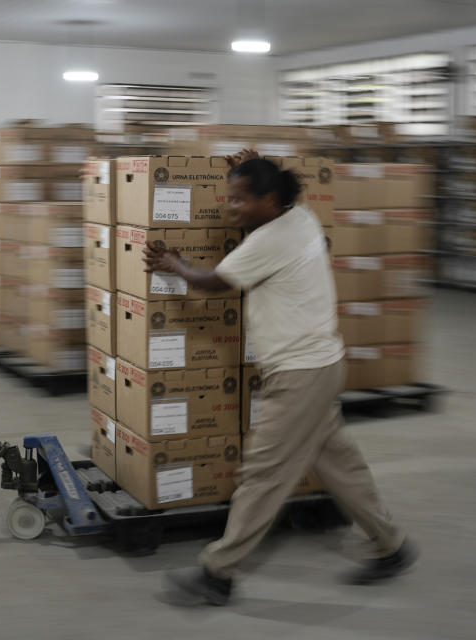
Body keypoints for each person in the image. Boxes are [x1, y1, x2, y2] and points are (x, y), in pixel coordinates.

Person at [144, 152, 416, 606]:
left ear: (269, 199)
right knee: (339, 465)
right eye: (228, 198)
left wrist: (176, 264)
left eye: (239, 199)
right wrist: (254, 168)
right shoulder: (302, 218)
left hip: (299, 373)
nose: (230, 207)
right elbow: (252, 233)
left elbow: (216, 281)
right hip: (324, 365)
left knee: (264, 472)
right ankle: (393, 546)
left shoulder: (269, 240)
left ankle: (218, 571)